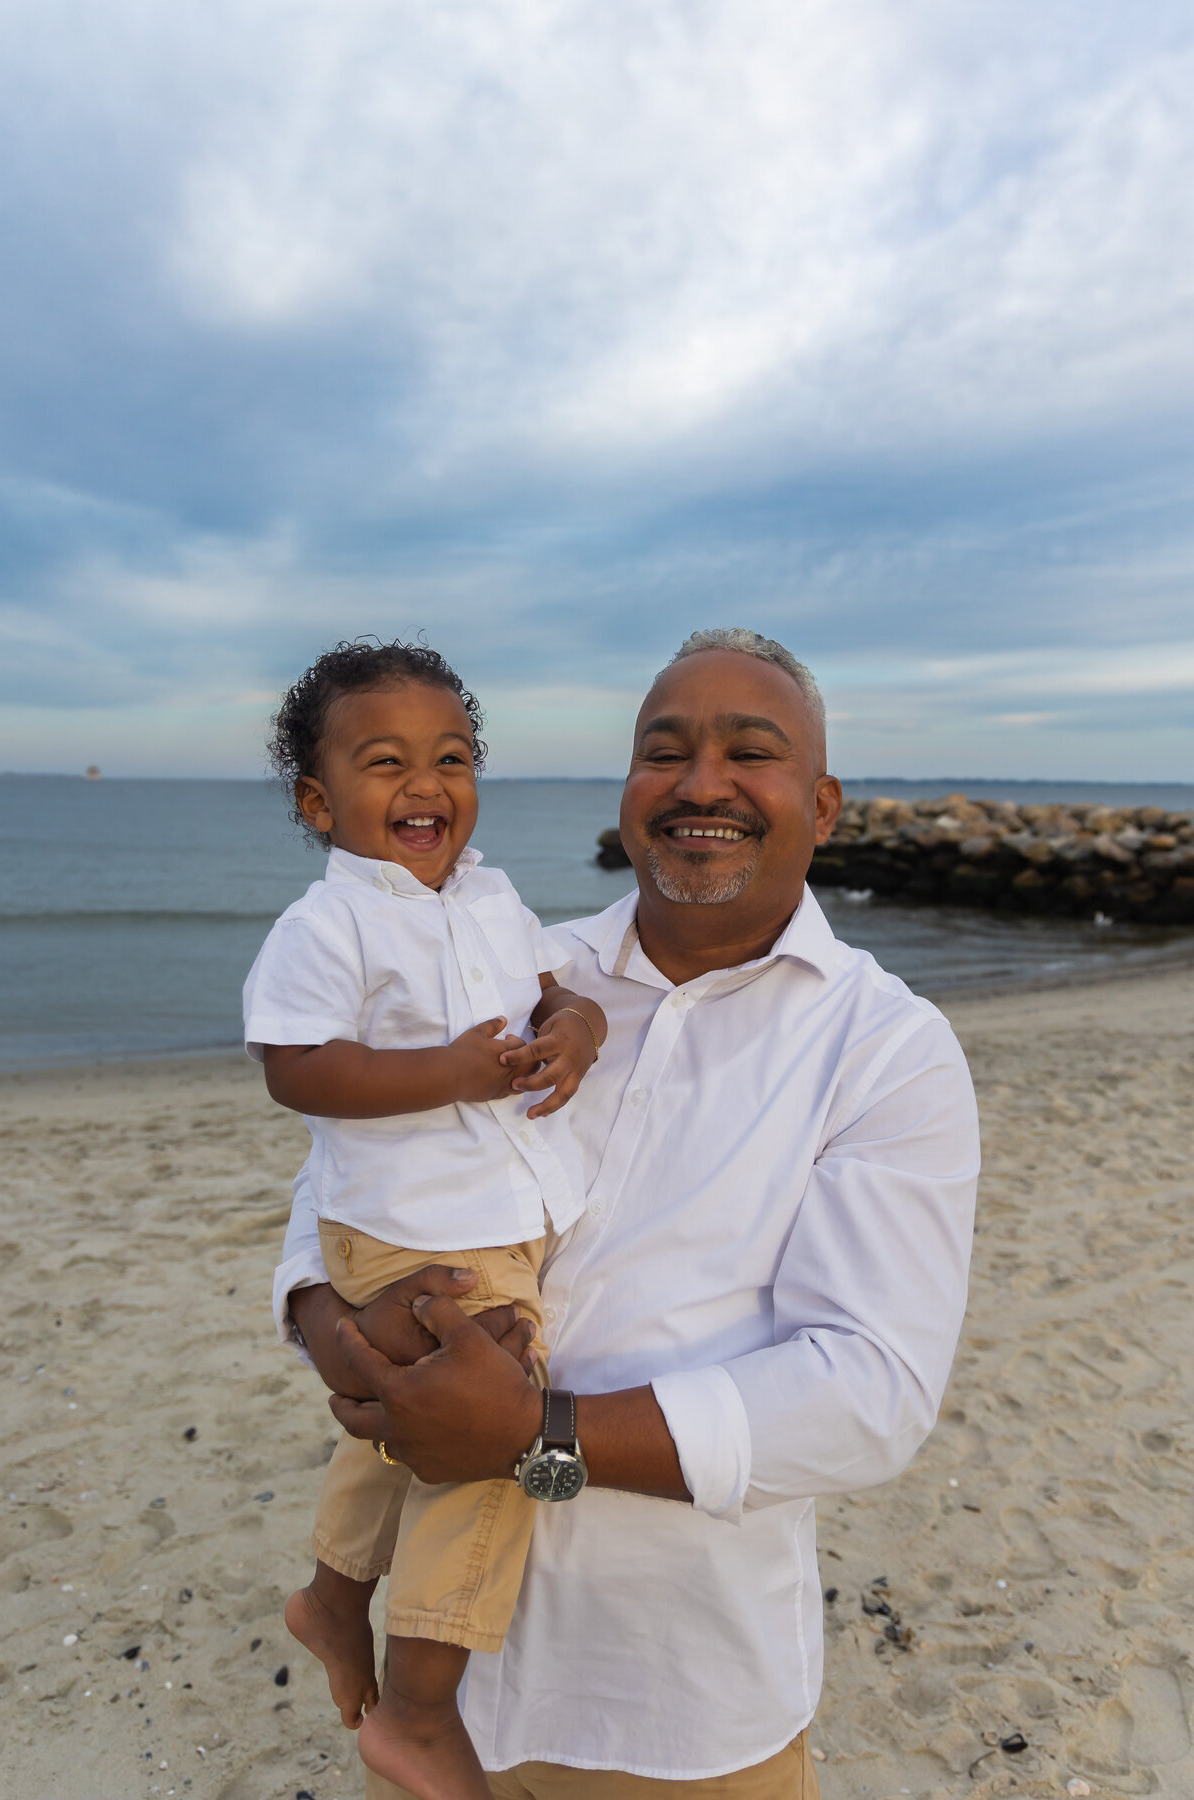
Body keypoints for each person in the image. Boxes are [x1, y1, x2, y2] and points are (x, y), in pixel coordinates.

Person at [276, 627, 982, 1799]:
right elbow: (345, 1176)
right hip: (452, 1705)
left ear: (825, 802)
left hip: (683, 1708)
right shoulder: (523, 975)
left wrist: (534, 1436)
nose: (701, 783)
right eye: (665, 752)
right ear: (628, 793)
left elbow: (870, 1391)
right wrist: (327, 1326)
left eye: (748, 752)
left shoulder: (888, 1050)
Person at [245, 638, 607, 1800]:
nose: (425, 785)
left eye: (450, 758)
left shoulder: (492, 897)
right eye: (385, 761)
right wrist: (445, 1073)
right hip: (407, 1225)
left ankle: (334, 1598)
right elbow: (295, 1069)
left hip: (486, 1219)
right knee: (502, 1435)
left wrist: (579, 1027)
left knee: (402, 1431)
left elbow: (551, 987)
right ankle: (416, 1710)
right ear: (319, 800)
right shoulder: (327, 925)